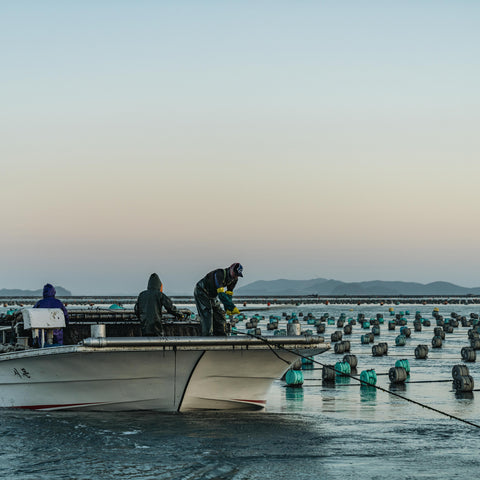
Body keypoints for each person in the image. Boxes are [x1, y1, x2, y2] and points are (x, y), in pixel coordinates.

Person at [194, 263, 243, 336]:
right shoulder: (220, 274)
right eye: (235, 273)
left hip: (212, 295)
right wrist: (231, 306)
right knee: (207, 313)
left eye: (237, 275)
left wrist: (228, 308)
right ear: (231, 269)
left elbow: (228, 295)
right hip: (202, 291)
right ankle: (207, 336)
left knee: (220, 314)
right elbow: (221, 294)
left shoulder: (234, 280)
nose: (235, 276)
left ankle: (221, 335)